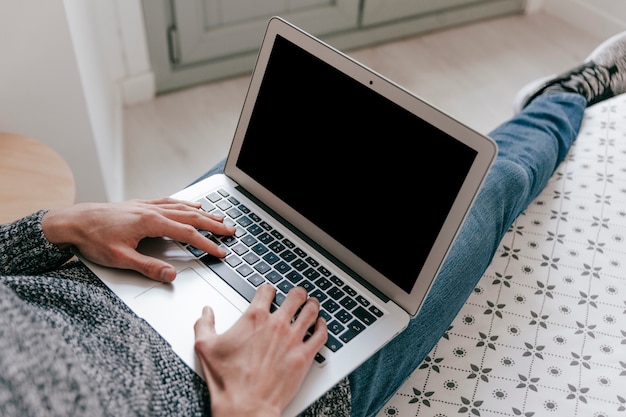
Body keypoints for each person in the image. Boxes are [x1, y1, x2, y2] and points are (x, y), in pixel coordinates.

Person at [0, 30, 624, 417]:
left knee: (263, 177)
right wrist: (247, 406)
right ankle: (564, 98)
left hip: (100, 273)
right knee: (489, 192)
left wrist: (60, 223)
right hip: (254, 394)